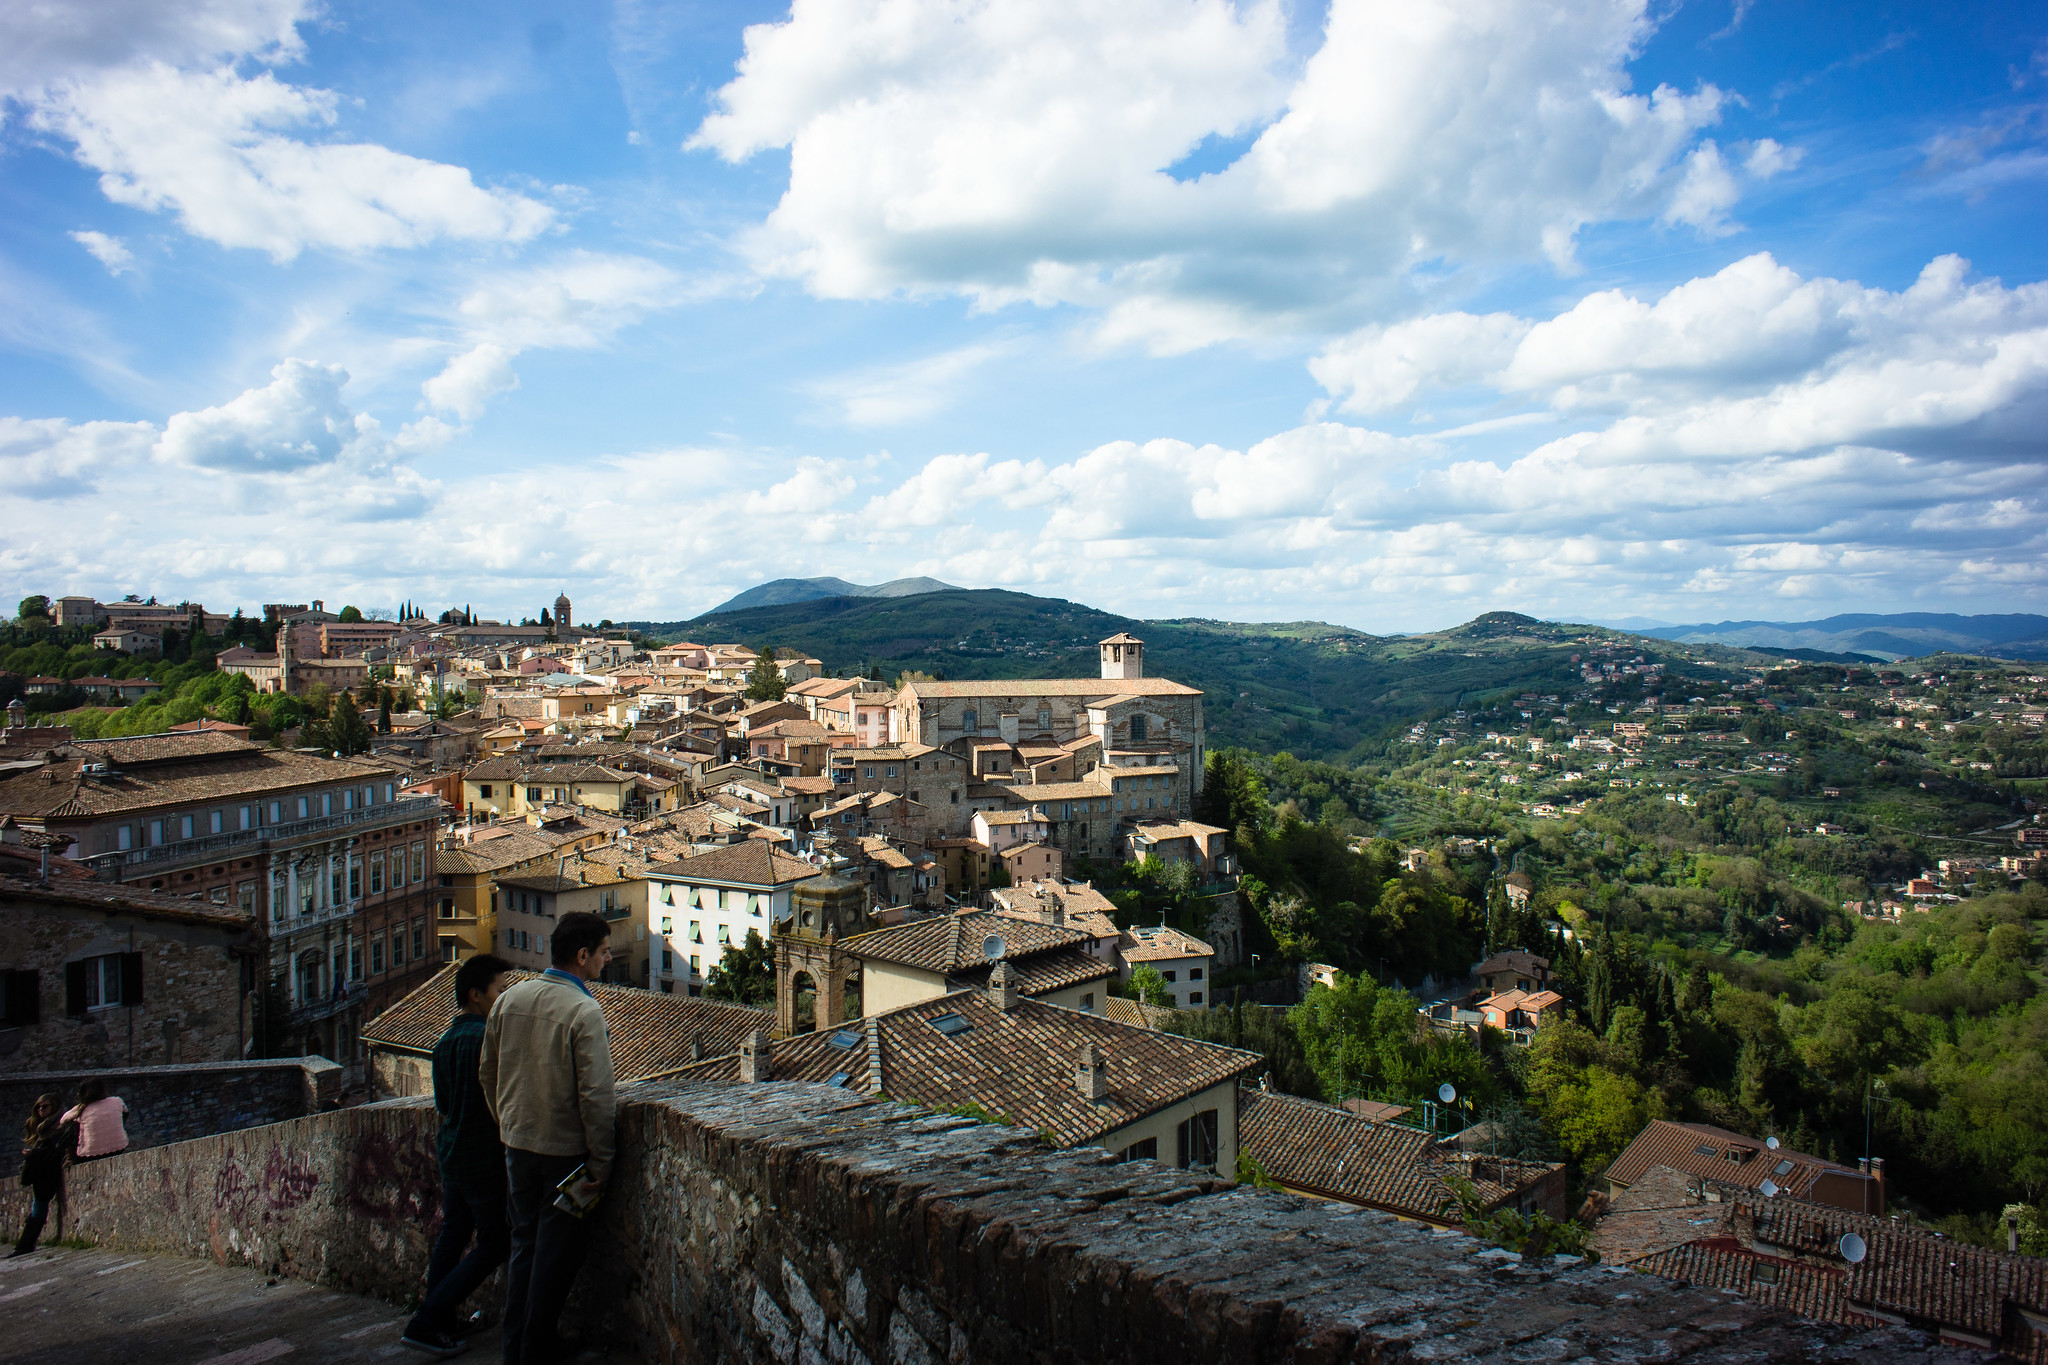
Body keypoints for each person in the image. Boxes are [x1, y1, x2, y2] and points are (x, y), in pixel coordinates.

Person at [479, 914, 616, 1365]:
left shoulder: (510, 998)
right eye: (603, 950)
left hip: (516, 1147)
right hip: (564, 1154)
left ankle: (513, 1347)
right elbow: (595, 1095)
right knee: (554, 1257)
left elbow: (488, 1072)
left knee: (523, 1247)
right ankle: (534, 1351)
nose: (608, 957)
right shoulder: (583, 1011)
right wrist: (601, 1161)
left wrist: (508, 1122)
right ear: (582, 956)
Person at [402, 953, 517, 1360]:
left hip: (451, 1154)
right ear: (475, 994)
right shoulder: (487, 1041)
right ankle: (427, 1319)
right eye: (500, 991)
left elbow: (445, 1104)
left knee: (453, 1236)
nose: (503, 999)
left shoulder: (444, 1044)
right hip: (483, 1157)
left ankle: (439, 1321)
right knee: (493, 1244)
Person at [12, 1094, 65, 1257]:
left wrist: (34, 1153)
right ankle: (24, 1245)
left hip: (49, 1172)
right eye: (39, 1107)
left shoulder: (58, 1125)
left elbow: (56, 1151)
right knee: (38, 1207)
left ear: (54, 1107)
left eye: (45, 1106)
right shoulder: (42, 1127)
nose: (41, 1110)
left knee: (39, 1207)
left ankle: (25, 1245)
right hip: (42, 1173)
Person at [61, 1078, 128, 1163]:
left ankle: (70, 1159)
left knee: (70, 1125)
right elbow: (125, 1113)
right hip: (119, 1147)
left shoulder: (81, 1109)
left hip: (90, 1154)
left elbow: (63, 1120)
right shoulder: (117, 1101)